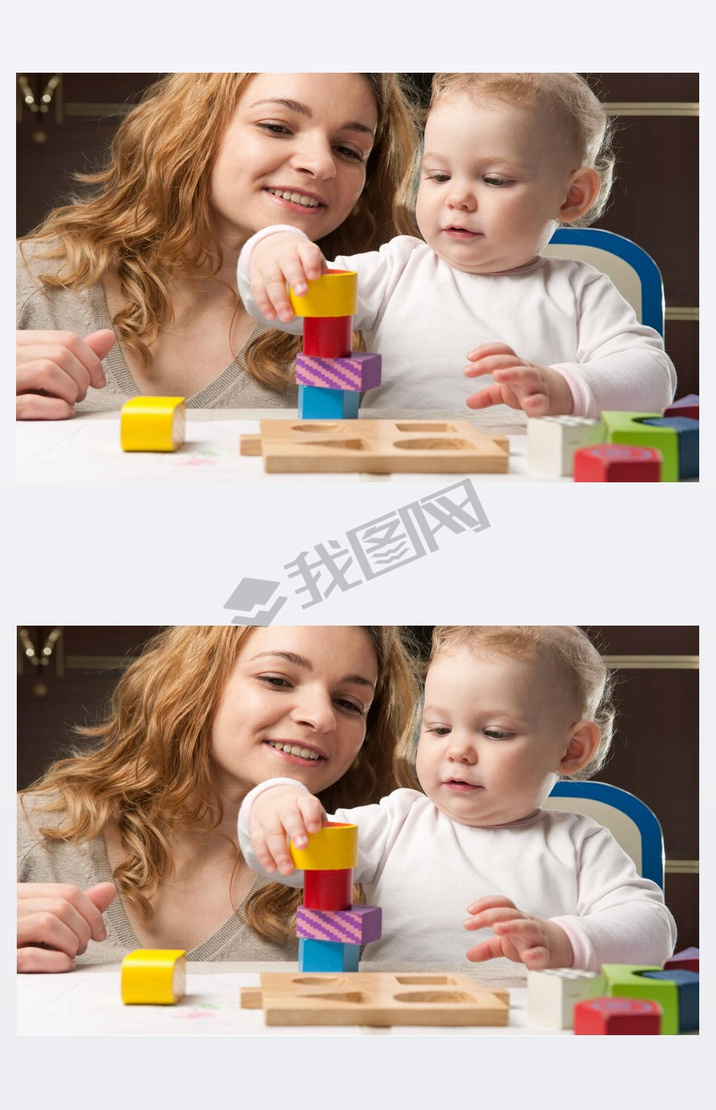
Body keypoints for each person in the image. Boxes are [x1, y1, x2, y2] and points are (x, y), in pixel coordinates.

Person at [239, 72, 676, 419]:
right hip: (394, 468)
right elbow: (294, 308)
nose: (457, 198)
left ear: (571, 196)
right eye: (439, 176)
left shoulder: (580, 291)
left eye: (495, 180)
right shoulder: (397, 268)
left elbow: (653, 379)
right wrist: (273, 248)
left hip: (523, 480)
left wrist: (564, 388)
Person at [239, 626, 677, 970]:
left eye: (495, 733)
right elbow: (295, 861)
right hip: (396, 1020)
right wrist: (274, 801)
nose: (458, 751)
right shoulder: (397, 821)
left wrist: (565, 941)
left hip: (524, 1028)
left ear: (571, 749)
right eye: (439, 728)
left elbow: (653, 932)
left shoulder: (580, 844)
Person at [16, 73, 419, 420]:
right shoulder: (27, 282)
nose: (321, 164)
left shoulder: (383, 319)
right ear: (196, 127)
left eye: (348, 150)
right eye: (276, 127)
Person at [17, 625, 420, 972]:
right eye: (277, 680)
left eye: (349, 703)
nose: (321, 717)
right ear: (196, 681)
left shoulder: (381, 872)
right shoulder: (27, 834)